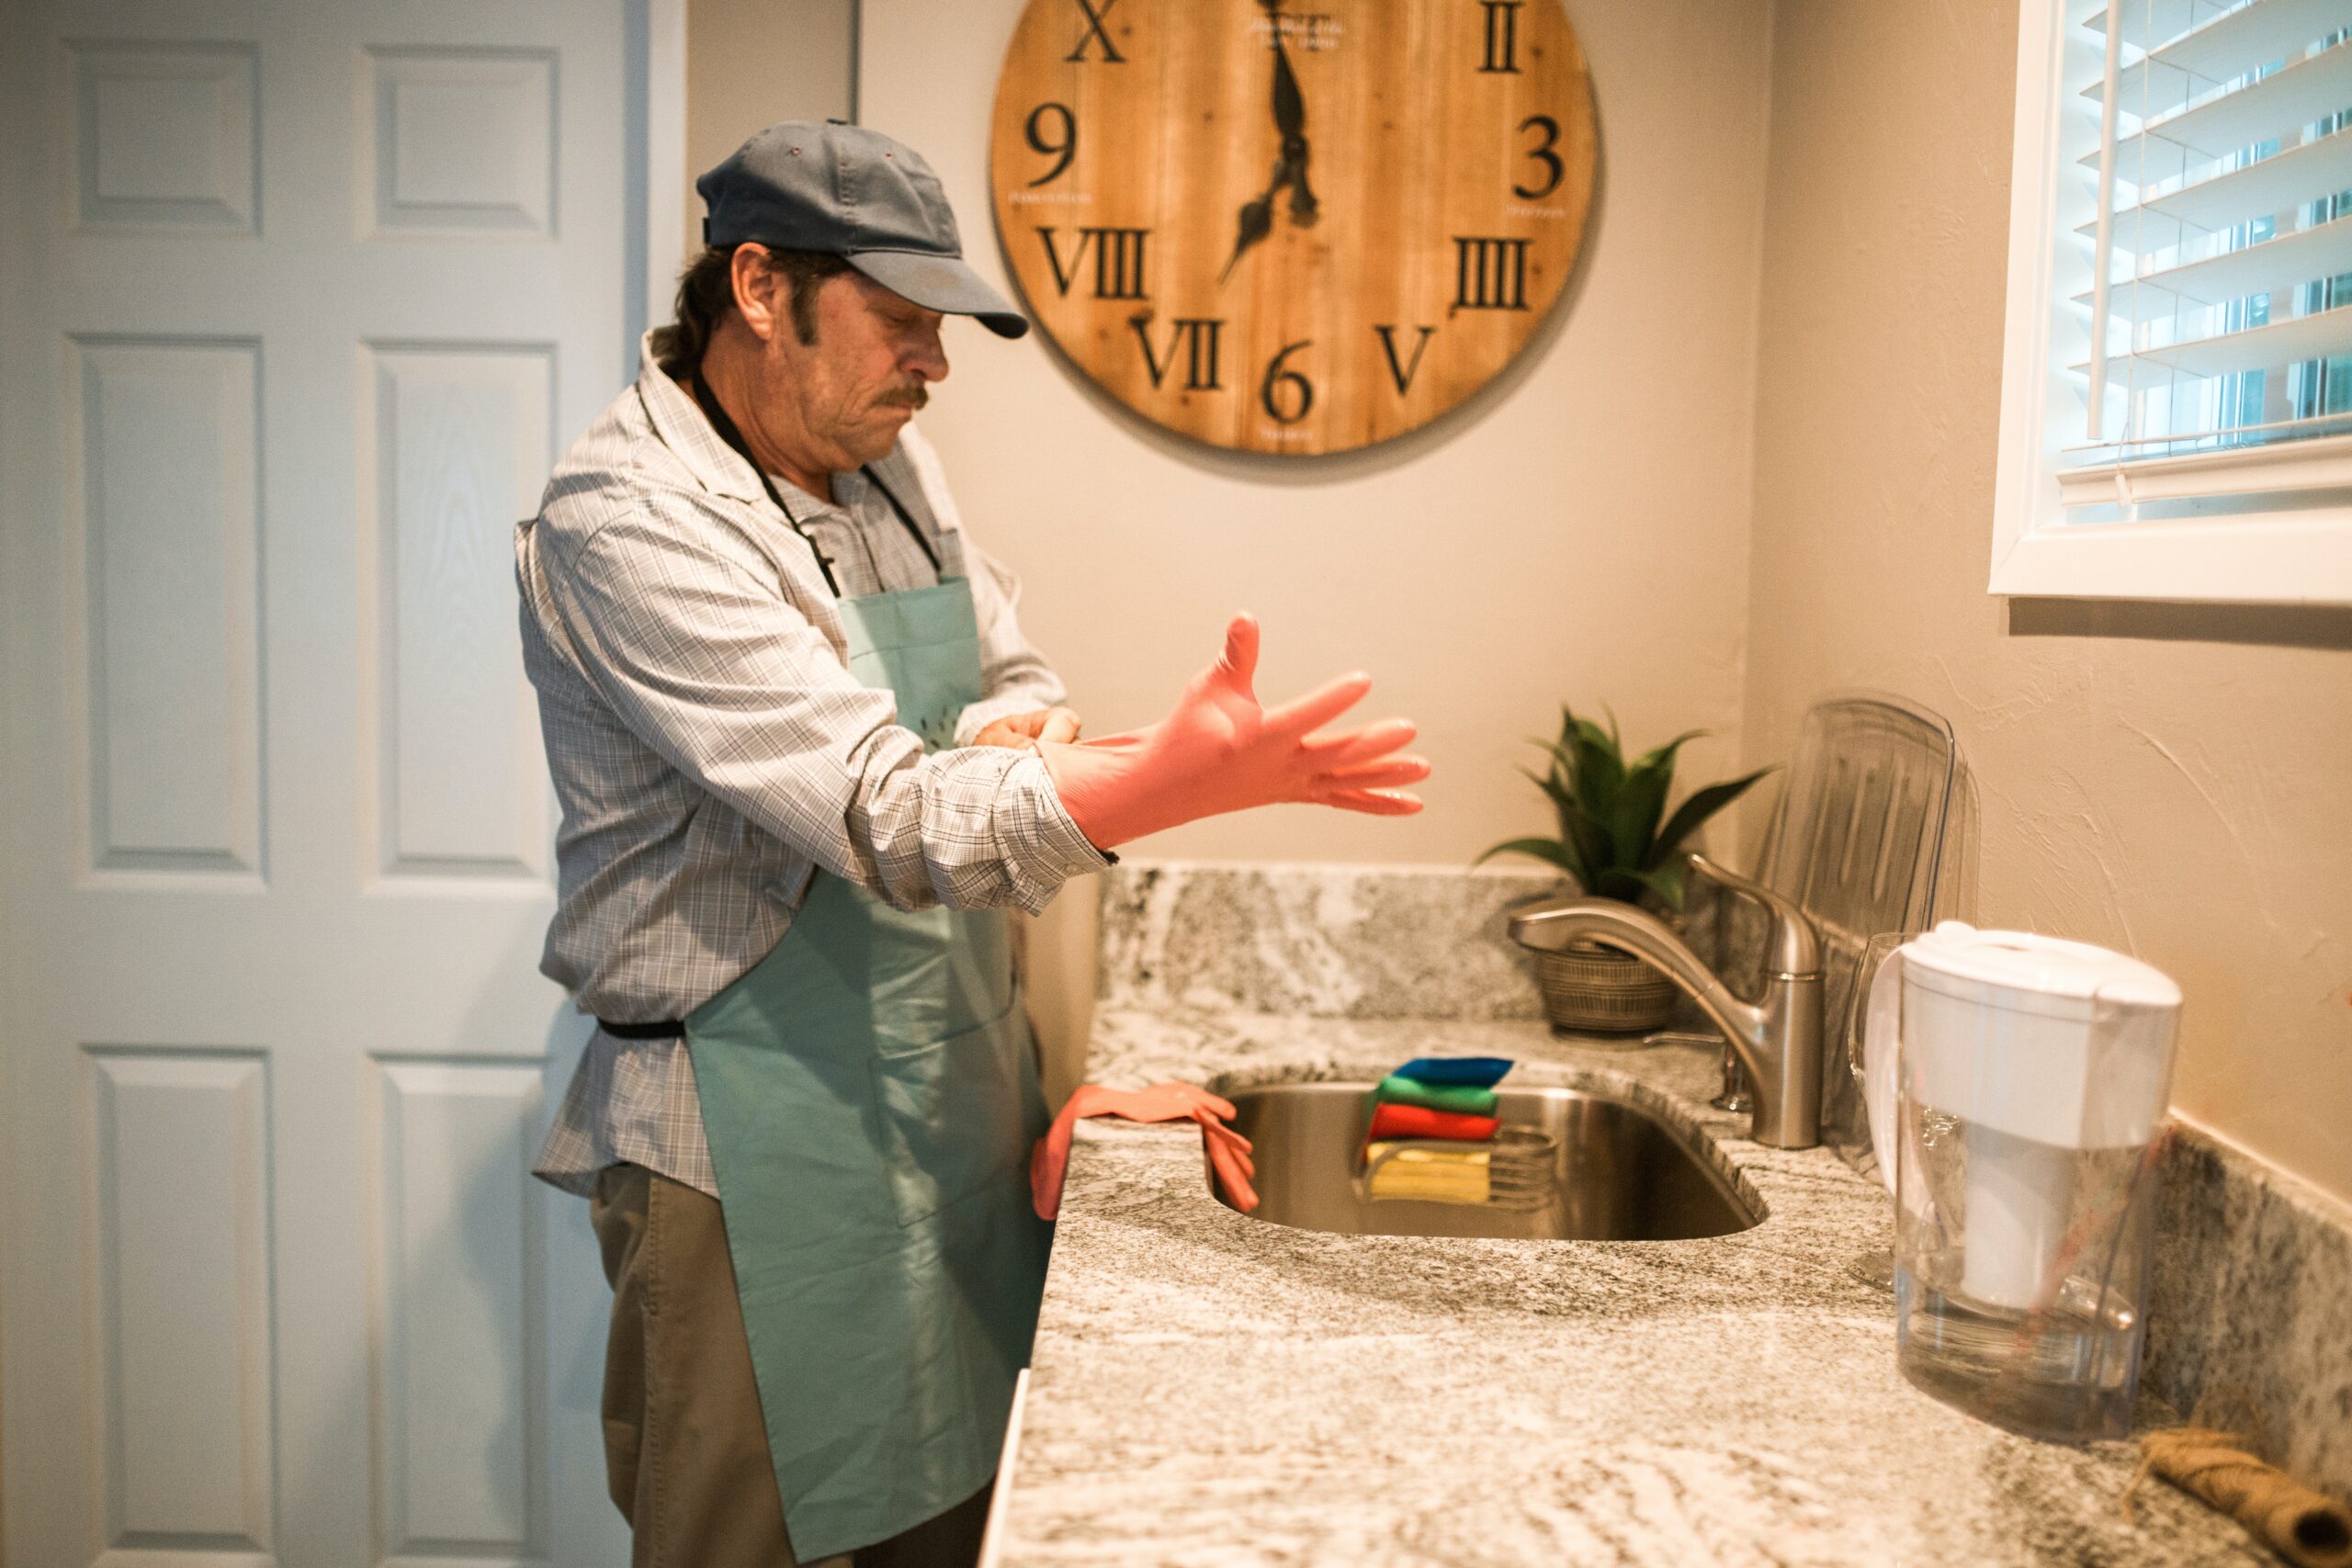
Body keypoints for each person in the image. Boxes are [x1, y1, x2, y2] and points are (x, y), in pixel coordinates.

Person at [515, 119, 1427, 1568]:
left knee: (950, 1526)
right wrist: (1158, 782)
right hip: (749, 1146)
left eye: (937, 328)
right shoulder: (629, 518)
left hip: (947, 1098)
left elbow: (1013, 686)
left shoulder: (883, 464)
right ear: (759, 288)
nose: (931, 366)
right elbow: (888, 815)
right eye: (899, 322)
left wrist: (1065, 748)